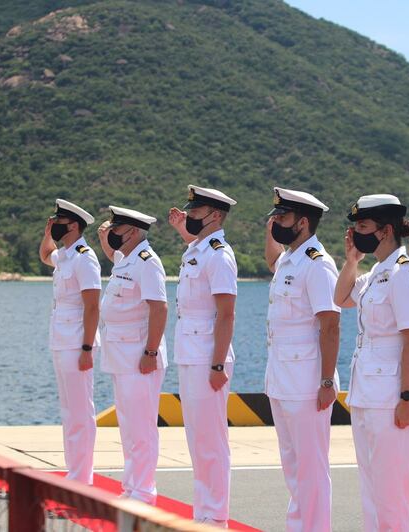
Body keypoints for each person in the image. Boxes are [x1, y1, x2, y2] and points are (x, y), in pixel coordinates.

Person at [333, 194, 409, 532]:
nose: (356, 232)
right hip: (367, 391)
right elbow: (341, 298)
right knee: (371, 485)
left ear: (385, 230)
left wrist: (406, 397)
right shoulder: (377, 273)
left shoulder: (403, 274)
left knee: (391, 489)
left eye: (362, 227)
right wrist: (350, 261)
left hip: (391, 394)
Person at [263, 186, 341, 532]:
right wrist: (271, 231)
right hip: (282, 377)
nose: (277, 222)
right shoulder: (288, 259)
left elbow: (330, 326)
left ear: (304, 222)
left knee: (310, 468)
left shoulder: (319, 265)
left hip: (308, 382)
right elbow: (271, 259)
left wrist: (326, 381)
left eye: (283, 217)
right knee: (292, 465)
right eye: (275, 217)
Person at [168, 185, 238, 528]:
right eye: (190, 211)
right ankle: (203, 512)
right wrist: (184, 231)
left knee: (211, 440)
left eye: (196, 213)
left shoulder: (220, 254)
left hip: (208, 354)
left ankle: (216, 516)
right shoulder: (198, 249)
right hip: (190, 351)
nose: (190, 216)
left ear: (215, 216)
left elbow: (226, 314)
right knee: (197, 439)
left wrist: (217, 363)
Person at [96, 206, 167, 504]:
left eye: (117, 230)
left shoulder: (148, 263)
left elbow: (159, 308)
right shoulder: (126, 261)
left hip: (139, 355)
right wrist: (105, 239)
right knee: (128, 425)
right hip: (121, 354)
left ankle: (144, 491)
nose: (113, 234)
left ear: (134, 232)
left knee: (141, 426)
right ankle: (132, 487)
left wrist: (151, 351)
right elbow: (115, 259)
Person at [38, 199, 101, 485]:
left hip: (77, 342)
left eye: (59, 221)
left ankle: (82, 477)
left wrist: (87, 347)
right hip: (61, 340)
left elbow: (92, 307)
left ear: (73, 225)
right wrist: (47, 232)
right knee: (68, 410)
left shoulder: (84, 258)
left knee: (80, 411)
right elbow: (44, 255)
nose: (56, 225)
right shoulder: (64, 256)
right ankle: (73, 472)